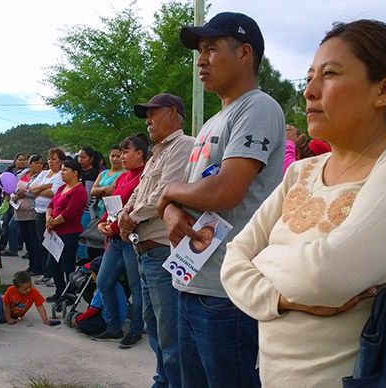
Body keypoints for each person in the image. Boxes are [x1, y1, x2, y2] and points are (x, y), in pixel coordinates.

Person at [220, 19, 386, 386]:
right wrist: (282, 299)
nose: (309, 91)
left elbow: (325, 276)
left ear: (384, 90)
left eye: (329, 75)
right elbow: (232, 263)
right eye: (309, 75)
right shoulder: (300, 172)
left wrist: (262, 259)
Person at [157, 12, 285, 387]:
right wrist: (169, 211)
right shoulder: (215, 121)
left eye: (211, 48)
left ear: (245, 53)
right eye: (200, 51)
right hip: (190, 280)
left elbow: (225, 191)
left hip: (226, 292)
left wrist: (166, 194)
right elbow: (188, 189)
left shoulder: (258, 108)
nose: (201, 60)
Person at [117, 93, 194, 388]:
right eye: (146, 115)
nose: (147, 120)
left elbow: (165, 193)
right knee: (155, 328)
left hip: (163, 251)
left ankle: (172, 383)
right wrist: (125, 212)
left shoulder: (183, 146)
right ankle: (162, 381)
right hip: (145, 253)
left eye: (153, 113)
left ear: (173, 113)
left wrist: (131, 218)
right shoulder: (157, 153)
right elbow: (139, 192)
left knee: (170, 333)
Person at [92, 136, 148, 348]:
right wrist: (103, 224)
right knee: (103, 281)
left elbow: (137, 208)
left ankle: (135, 330)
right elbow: (112, 205)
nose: (122, 157)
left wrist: (113, 227)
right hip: (114, 239)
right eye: (120, 153)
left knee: (136, 286)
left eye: (126, 152)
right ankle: (114, 325)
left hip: (132, 239)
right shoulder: (123, 178)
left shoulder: (144, 177)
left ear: (139, 154)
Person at [45, 159, 87, 303]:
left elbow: (70, 213)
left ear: (75, 173)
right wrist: (48, 218)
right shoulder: (62, 187)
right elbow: (51, 204)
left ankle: (69, 293)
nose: (61, 173)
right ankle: (60, 290)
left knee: (67, 264)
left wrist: (53, 222)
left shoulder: (79, 191)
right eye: (61, 170)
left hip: (69, 232)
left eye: (65, 170)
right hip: (55, 232)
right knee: (52, 264)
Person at [29, 148, 67, 285]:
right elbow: (31, 188)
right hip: (39, 212)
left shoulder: (61, 175)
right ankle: (46, 272)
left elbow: (54, 193)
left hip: (52, 213)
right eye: (49, 159)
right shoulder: (44, 173)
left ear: (61, 161)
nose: (51, 162)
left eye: (54, 159)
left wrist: (40, 190)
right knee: (42, 243)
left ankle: (55, 274)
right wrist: (46, 185)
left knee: (52, 245)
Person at [73, 256, 128, 336]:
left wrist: (78, 319)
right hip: (119, 317)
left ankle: (105, 331)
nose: (92, 276)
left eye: (92, 273)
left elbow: (93, 309)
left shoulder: (102, 286)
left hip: (109, 320)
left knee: (83, 324)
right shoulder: (116, 283)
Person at [11, 154, 44, 276]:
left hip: (32, 211)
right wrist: (15, 195)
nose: (39, 165)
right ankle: (31, 265)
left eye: (41, 163)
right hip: (20, 211)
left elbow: (39, 192)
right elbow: (13, 188)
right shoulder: (22, 174)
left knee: (34, 240)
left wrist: (25, 194)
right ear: (30, 164)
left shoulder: (41, 177)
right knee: (27, 241)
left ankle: (38, 266)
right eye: (36, 163)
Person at [90, 145, 125, 218]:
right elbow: (92, 191)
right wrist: (104, 189)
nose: (114, 159)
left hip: (112, 211)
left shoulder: (124, 173)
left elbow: (112, 192)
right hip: (98, 209)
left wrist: (99, 191)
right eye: (112, 156)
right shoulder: (103, 173)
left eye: (118, 156)